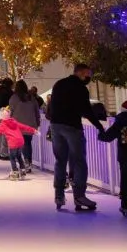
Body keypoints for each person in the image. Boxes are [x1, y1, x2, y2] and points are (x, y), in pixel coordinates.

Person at [48, 63, 105, 211]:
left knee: (60, 161)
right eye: (88, 75)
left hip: (56, 126)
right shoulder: (80, 89)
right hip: (72, 127)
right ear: (81, 73)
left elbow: (51, 105)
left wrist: (52, 122)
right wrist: (99, 126)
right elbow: (86, 110)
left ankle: (59, 194)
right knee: (79, 161)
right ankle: (79, 196)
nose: (89, 78)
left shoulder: (58, 84)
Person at [0, 109, 38, 179]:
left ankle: (15, 172)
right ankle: (23, 170)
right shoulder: (14, 122)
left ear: (1, 116)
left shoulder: (3, 124)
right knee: (19, 156)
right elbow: (24, 127)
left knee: (12, 158)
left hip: (13, 143)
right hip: (20, 141)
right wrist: (34, 130)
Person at [7, 80, 41, 172]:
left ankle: (24, 161)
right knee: (28, 143)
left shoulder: (14, 98)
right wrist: (37, 122)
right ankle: (28, 162)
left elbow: (10, 111)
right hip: (30, 124)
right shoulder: (31, 98)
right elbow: (37, 111)